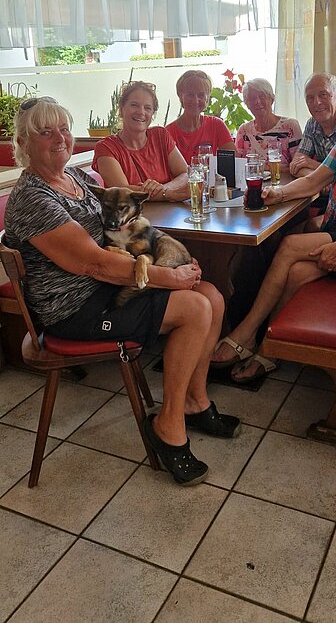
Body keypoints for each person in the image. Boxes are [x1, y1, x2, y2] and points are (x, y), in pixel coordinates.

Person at [4, 97, 240, 486]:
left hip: (105, 288)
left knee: (212, 295)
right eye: (45, 132)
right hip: (75, 308)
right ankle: (168, 425)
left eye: (63, 128)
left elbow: (128, 228)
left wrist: (175, 262)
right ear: (24, 143)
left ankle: (196, 402)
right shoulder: (34, 198)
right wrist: (169, 279)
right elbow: (94, 263)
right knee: (196, 309)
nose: (60, 138)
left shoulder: (75, 179)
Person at [213, 65, 336, 382]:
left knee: (288, 245)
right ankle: (270, 350)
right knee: (297, 271)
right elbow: (313, 182)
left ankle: (245, 334)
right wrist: (277, 193)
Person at [93, 81, 189, 201]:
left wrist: (165, 189)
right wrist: (167, 194)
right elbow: (122, 191)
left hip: (169, 214)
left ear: (152, 114)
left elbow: (185, 174)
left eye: (147, 108)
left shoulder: (160, 135)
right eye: (134, 105)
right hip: (130, 218)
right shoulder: (106, 147)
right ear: (122, 109)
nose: (141, 112)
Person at [290, 73, 336, 211]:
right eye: (310, 98)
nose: (317, 102)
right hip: (322, 196)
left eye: (323, 94)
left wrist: (313, 166)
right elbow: (296, 164)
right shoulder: (312, 123)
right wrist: (321, 181)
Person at [166, 70, 235, 163]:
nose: (196, 100)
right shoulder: (168, 133)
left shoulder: (216, 125)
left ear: (207, 98)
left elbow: (233, 160)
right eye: (190, 95)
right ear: (180, 96)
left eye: (201, 95)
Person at [235, 78, 302, 167]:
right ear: (247, 104)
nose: (257, 102)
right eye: (252, 98)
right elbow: (237, 165)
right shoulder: (244, 130)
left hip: (284, 180)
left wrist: (267, 170)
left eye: (262, 96)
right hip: (252, 181)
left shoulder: (290, 126)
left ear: (272, 99)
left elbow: (298, 166)